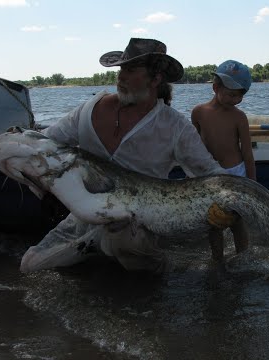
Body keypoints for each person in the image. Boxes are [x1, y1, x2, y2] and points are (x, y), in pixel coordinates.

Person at [20, 38, 231, 274]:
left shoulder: (175, 127)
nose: (121, 76)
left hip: (136, 223)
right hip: (83, 218)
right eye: (121, 69)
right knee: (31, 265)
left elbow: (211, 173)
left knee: (125, 247)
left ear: (155, 79)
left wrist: (226, 206)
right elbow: (47, 142)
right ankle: (91, 251)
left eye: (131, 70)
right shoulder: (89, 109)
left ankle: (155, 271)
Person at [191, 60, 256, 265]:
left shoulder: (239, 117)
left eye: (240, 96)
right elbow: (192, 148)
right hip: (210, 175)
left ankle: (243, 259)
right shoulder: (199, 112)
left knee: (237, 222)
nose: (236, 100)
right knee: (213, 222)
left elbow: (247, 152)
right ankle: (217, 261)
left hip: (236, 173)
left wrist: (253, 184)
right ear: (215, 87)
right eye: (231, 94)